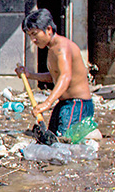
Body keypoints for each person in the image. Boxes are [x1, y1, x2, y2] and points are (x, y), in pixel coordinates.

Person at [15, 8, 94, 136]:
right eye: (30, 35)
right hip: (64, 104)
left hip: (77, 105)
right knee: (52, 138)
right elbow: (54, 77)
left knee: (65, 142)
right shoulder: (52, 48)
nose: (33, 40)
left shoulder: (61, 47)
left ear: (48, 30)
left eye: (35, 34)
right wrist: (30, 75)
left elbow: (65, 77)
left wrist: (47, 103)